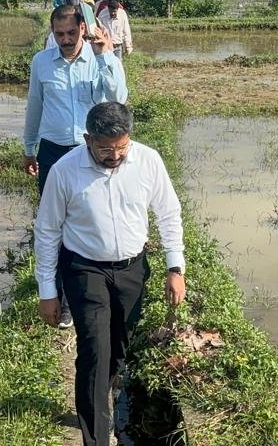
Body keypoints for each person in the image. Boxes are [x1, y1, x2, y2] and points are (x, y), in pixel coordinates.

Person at [34, 102, 186, 446]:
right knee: (94, 350)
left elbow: (169, 213)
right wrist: (47, 291)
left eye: (121, 147)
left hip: (132, 269)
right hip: (84, 269)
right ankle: (97, 436)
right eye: (104, 148)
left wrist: (175, 267)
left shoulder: (148, 161)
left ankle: (101, 396)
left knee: (119, 346)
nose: (114, 156)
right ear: (88, 139)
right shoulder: (65, 171)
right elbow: (47, 231)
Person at [24, 4, 128, 327]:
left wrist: (105, 56)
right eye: (59, 34)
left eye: (71, 32)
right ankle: (55, 293)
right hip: (53, 152)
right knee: (52, 224)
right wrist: (29, 148)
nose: (66, 40)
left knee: (85, 221)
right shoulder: (41, 62)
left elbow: (118, 98)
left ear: (83, 28)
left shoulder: (101, 59)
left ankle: (83, 291)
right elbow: (34, 105)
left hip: (88, 151)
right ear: (52, 33)